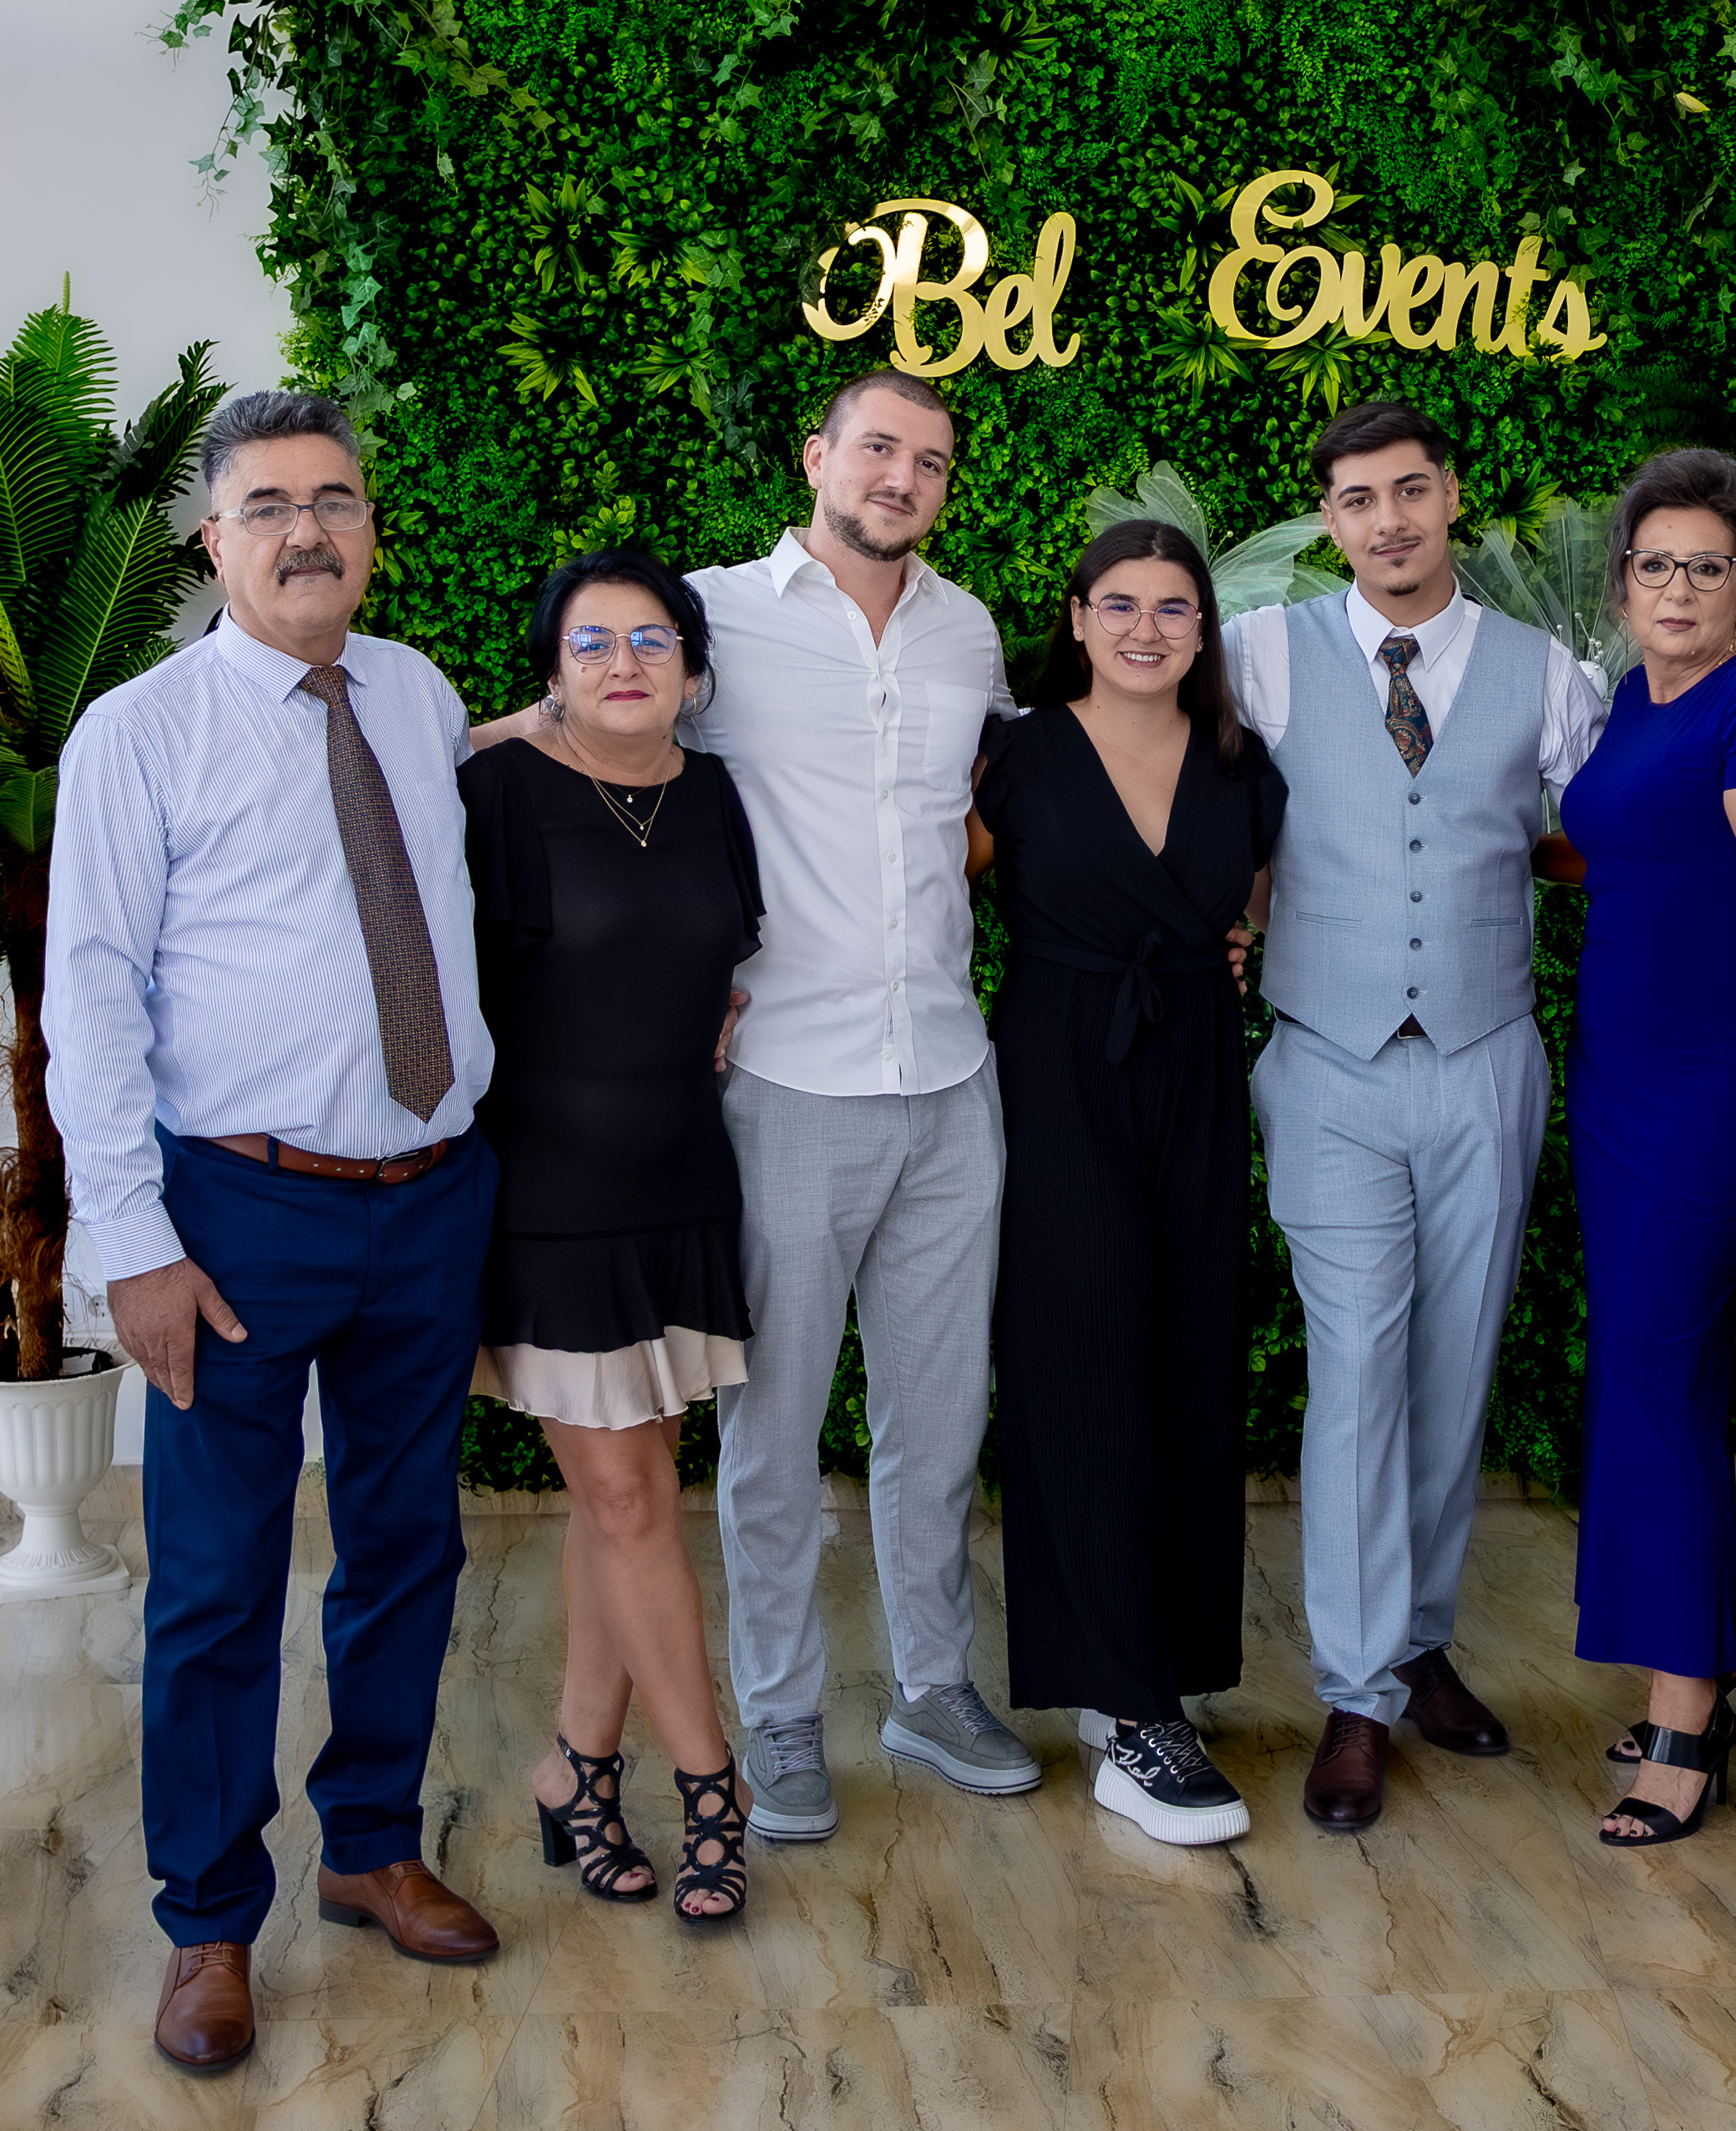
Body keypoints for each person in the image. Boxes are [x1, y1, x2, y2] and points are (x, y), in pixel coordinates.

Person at [48, 391, 504, 2075]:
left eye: (334, 499)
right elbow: (90, 1001)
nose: (307, 530)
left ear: (371, 525)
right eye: (267, 506)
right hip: (234, 1215)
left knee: (405, 1545)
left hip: (431, 1195)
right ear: (212, 540)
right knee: (218, 1579)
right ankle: (207, 1919)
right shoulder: (140, 734)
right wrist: (132, 1242)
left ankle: (371, 1844)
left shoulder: (417, 695)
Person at [653, 370, 1038, 1836]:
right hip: (788, 1083)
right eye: (878, 448)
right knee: (775, 1433)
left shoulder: (966, 629)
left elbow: (975, 825)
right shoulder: (707, 615)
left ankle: (931, 1687)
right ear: (816, 456)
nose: (902, 478)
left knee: (939, 1422)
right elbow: (607, 754)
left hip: (949, 1076)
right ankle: (779, 1712)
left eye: (929, 462)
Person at [1230, 400, 1611, 1830]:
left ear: (1451, 495)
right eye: (1356, 500)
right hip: (1326, 1062)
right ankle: (1354, 1689)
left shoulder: (1547, 671)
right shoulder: (1261, 653)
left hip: (1484, 1053)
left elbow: (1607, 829)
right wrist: (1220, 911)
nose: (1385, 520)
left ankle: (1418, 1640)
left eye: (1408, 490)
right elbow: (1165, 778)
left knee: (1454, 1366)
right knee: (1358, 1366)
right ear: (1328, 522)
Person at [973, 519, 1287, 1846]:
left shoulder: (1243, 764)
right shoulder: (1015, 755)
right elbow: (912, 894)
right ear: (1078, 617)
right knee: (1081, 1364)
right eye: (1120, 604)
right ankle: (1127, 1706)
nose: (1146, 629)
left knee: (1190, 1365)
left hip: (1198, 1069)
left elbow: (1257, 906)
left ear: (1204, 630)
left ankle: (1160, 1673)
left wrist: (1240, 944)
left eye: (1172, 608)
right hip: (1060, 1066)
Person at [463, 549, 762, 1926]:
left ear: (693, 671)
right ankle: (713, 1786)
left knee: (622, 1500)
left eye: (652, 640)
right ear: (550, 670)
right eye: (591, 643)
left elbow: (715, 970)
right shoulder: (498, 793)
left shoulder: (716, 796)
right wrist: (513, 727)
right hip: (551, 1200)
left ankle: (573, 1768)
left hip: (684, 1184)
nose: (624, 663)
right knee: (633, 1500)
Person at [1556, 448, 1736, 1847]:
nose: (1677, 588)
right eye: (1655, 565)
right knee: (1648, 1369)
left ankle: (1687, 1708)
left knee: (1655, 1379)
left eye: (1705, 568)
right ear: (1622, 586)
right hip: (1611, 1072)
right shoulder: (1627, 701)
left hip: (1706, 1085)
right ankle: (1712, 1639)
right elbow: (1619, 853)